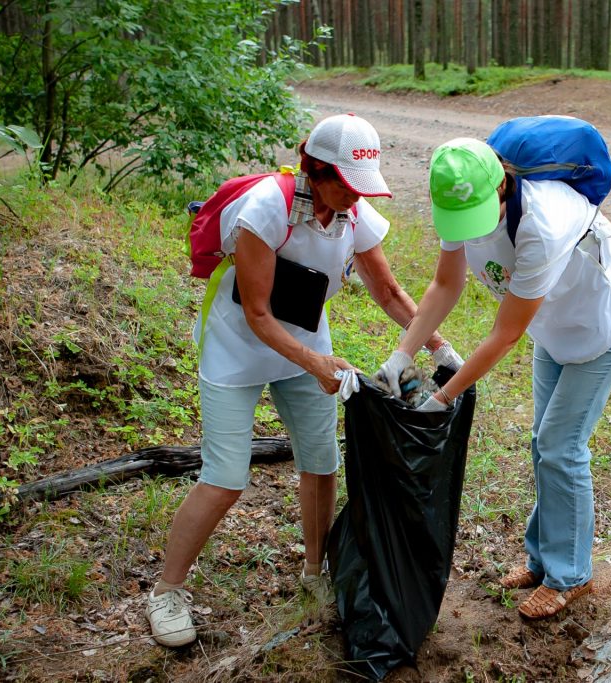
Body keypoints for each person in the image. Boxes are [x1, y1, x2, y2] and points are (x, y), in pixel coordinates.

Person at [145, 114, 460, 647]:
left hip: (307, 338)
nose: (355, 198)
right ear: (316, 170)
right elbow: (259, 314)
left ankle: (315, 574)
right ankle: (166, 591)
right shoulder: (266, 208)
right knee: (225, 477)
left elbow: (387, 292)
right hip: (236, 347)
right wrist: (315, 364)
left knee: (320, 461)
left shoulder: (351, 213)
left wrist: (438, 346)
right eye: (346, 185)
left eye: (362, 188)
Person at [376, 136, 611, 620]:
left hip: (604, 317)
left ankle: (571, 575)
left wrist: (443, 397)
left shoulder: (542, 224)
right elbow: (445, 283)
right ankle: (543, 561)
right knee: (543, 443)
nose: (472, 229)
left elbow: (504, 336)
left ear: (502, 183)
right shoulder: (459, 200)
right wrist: (402, 354)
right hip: (553, 321)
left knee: (561, 446)